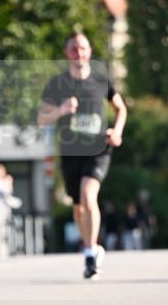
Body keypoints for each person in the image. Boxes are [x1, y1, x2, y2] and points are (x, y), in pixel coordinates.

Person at [38, 32, 127, 279]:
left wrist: (117, 131)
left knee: (89, 197)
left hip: (99, 148)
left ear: (89, 51)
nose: (79, 53)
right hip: (70, 152)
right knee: (78, 208)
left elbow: (120, 108)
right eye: (74, 49)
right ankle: (92, 247)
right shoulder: (57, 83)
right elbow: (41, 117)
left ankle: (89, 253)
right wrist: (61, 109)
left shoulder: (101, 78)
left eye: (83, 48)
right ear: (67, 53)